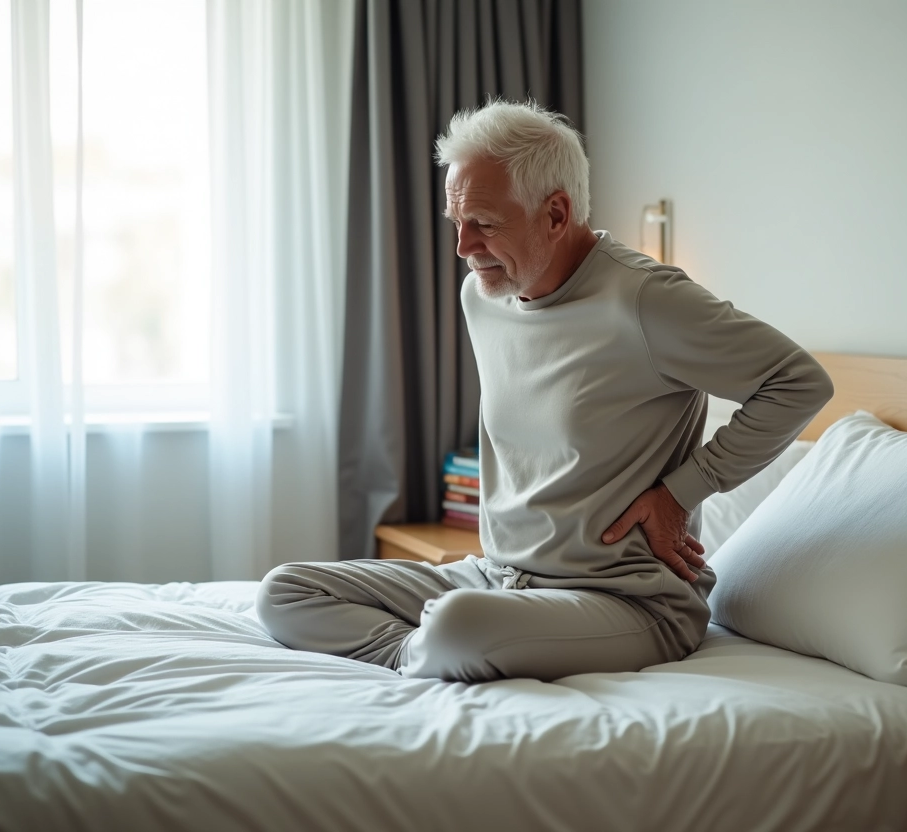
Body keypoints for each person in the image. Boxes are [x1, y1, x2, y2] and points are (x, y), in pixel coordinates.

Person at [256, 100, 833, 682]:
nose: (462, 247)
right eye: (455, 222)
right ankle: (422, 654)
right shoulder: (482, 296)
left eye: (483, 222)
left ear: (555, 214)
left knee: (460, 625)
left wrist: (682, 491)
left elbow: (798, 382)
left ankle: (440, 646)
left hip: (626, 600)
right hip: (496, 577)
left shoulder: (645, 301)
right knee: (285, 592)